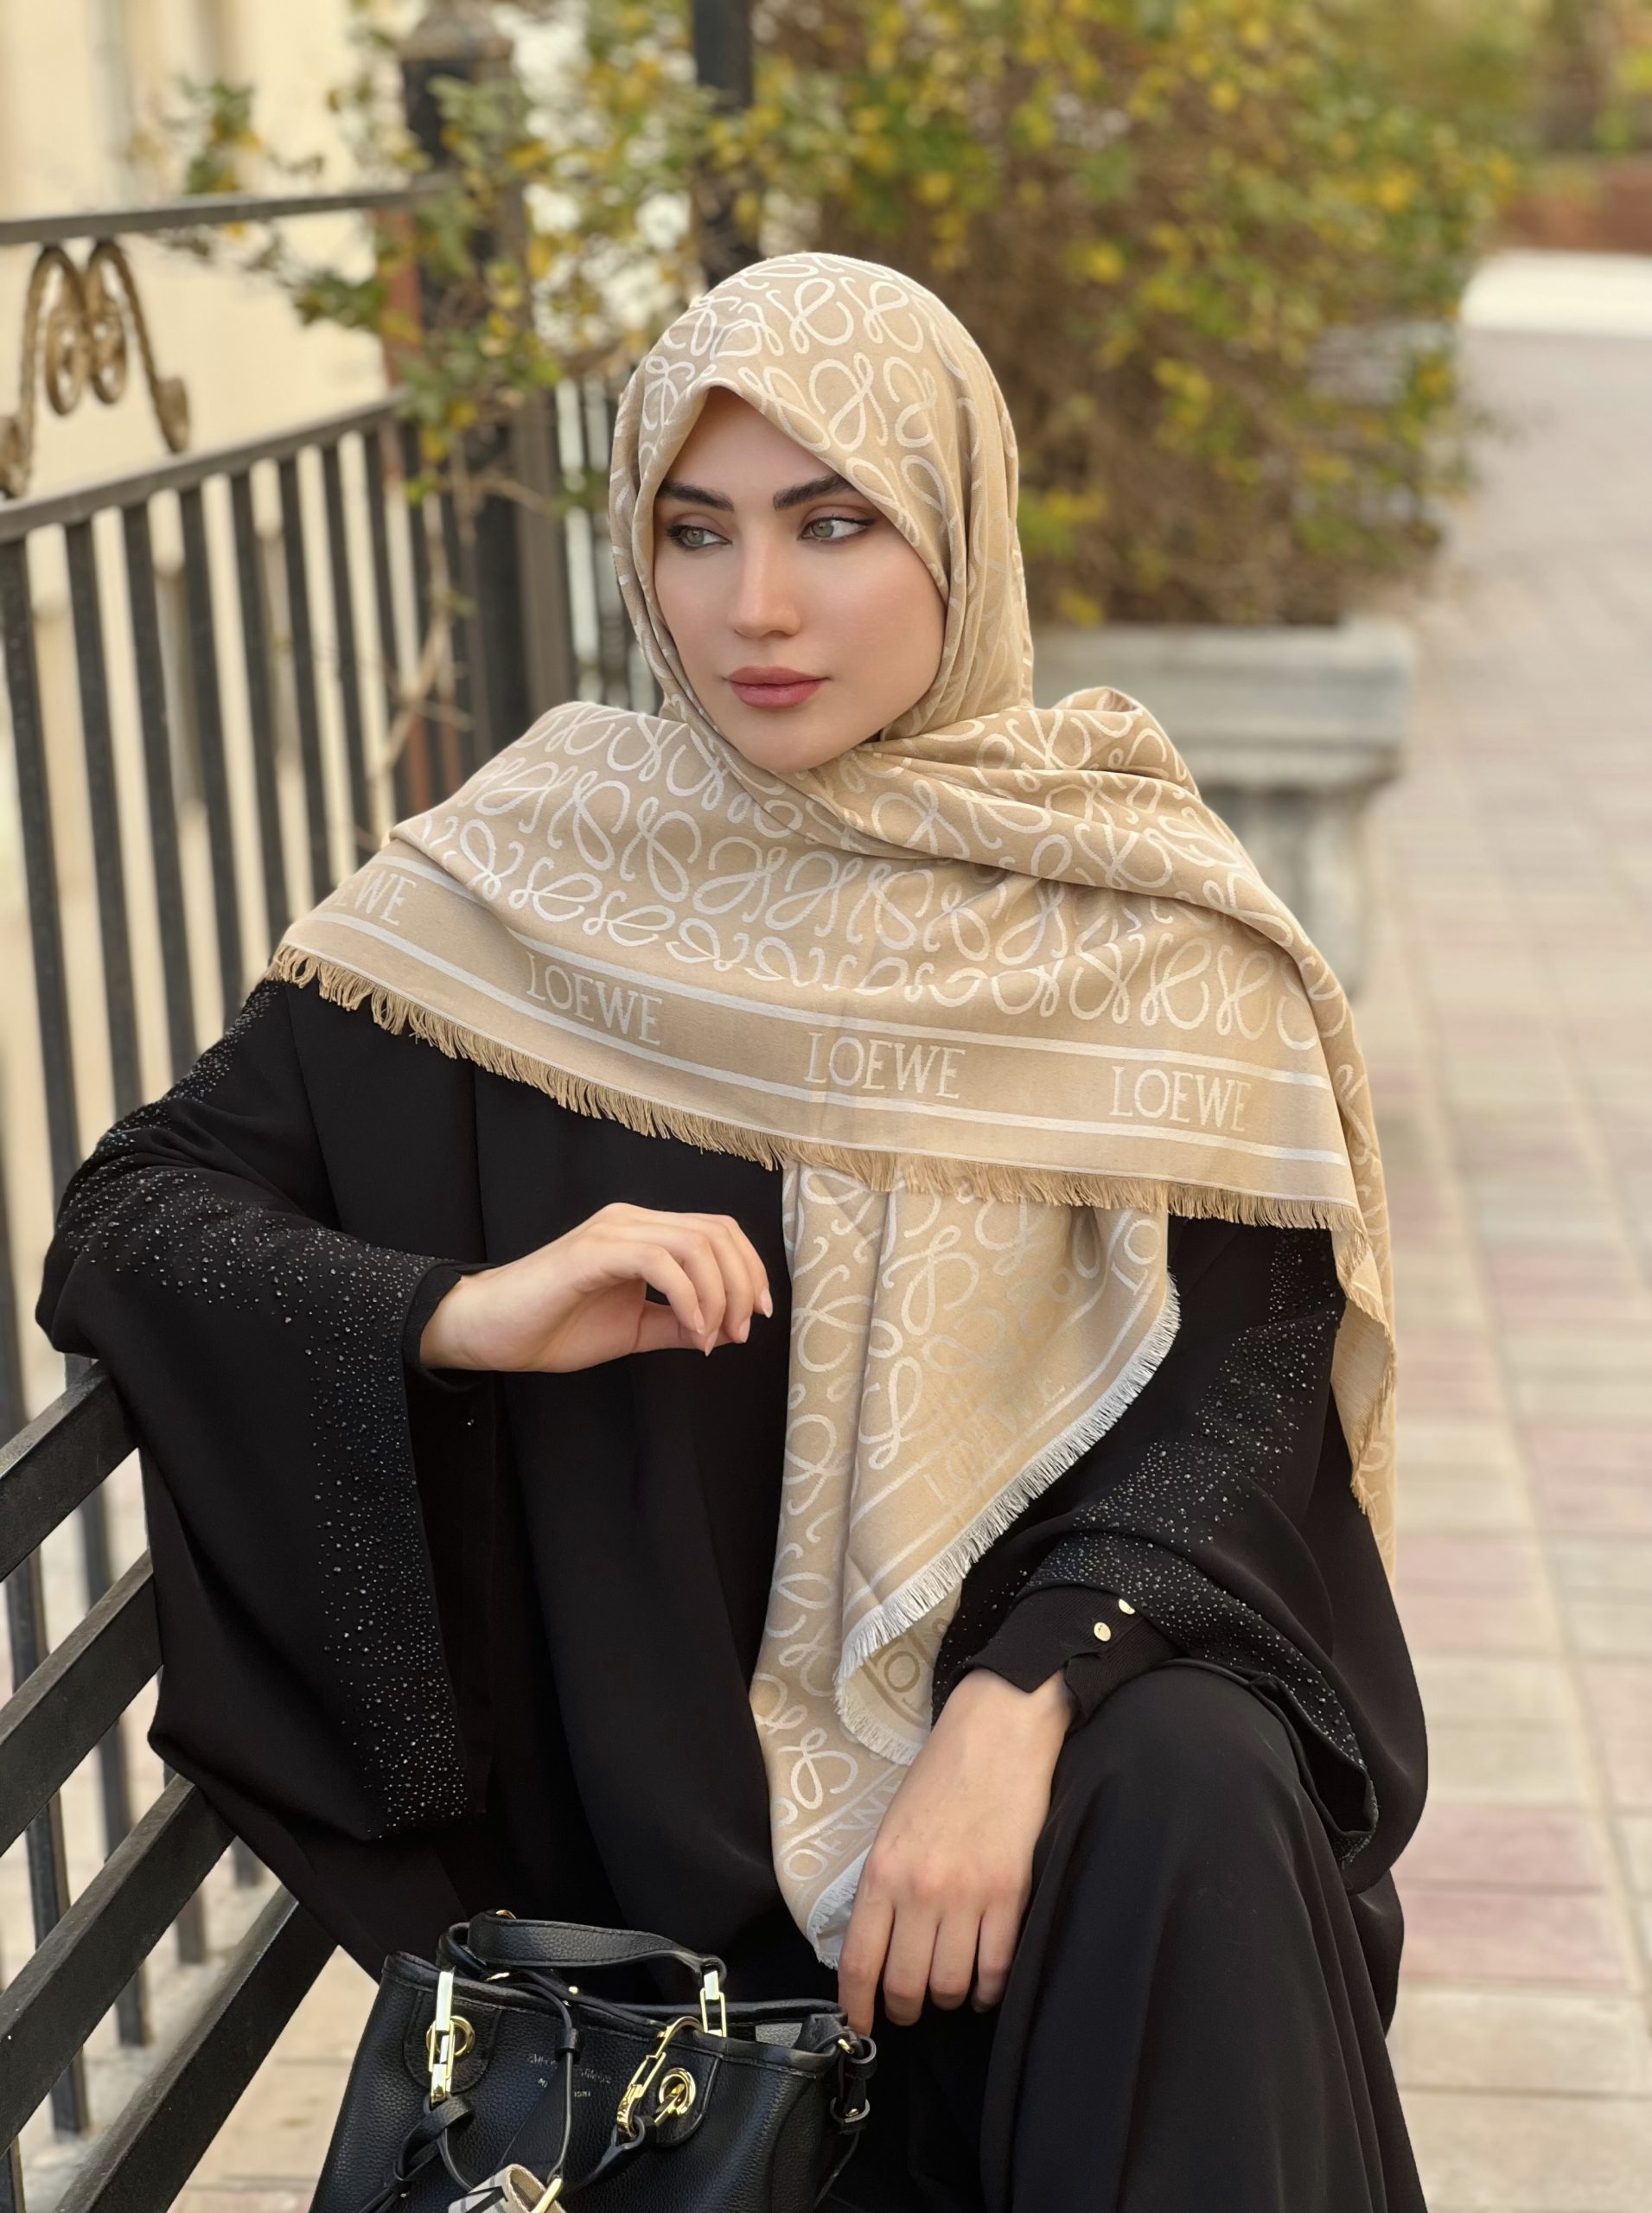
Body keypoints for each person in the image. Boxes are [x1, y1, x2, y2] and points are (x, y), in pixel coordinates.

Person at [39, 253, 1427, 2211]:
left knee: (1194, 1777)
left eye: (833, 523)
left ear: (959, 529)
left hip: (1049, 1822)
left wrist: (1017, 1698)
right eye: (696, 531)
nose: (753, 607)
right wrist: (460, 1310)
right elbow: (133, 1214)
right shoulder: (524, 882)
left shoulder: (1143, 922)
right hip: (679, 1912)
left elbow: (1244, 1394)